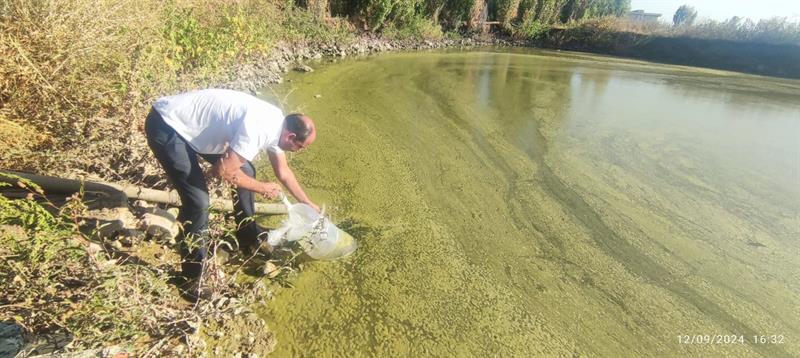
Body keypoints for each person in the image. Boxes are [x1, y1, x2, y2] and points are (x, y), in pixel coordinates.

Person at [144, 88, 319, 295]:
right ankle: (191, 279)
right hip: (168, 125)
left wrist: (307, 202)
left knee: (247, 169)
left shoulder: (278, 124)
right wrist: (261, 187)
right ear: (291, 136)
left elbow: (283, 172)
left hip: (195, 129)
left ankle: (247, 235)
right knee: (198, 202)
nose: (299, 151)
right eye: (301, 147)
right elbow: (223, 171)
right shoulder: (261, 128)